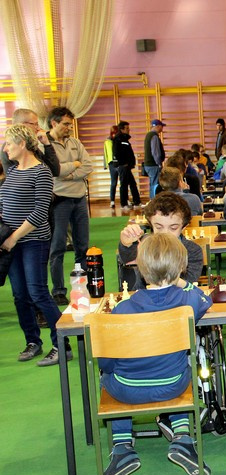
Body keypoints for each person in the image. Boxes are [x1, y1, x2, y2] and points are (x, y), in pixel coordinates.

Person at [97, 233, 212, 475]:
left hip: (126, 390)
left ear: (140, 268)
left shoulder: (121, 310)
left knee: (106, 376)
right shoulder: (188, 303)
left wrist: (109, 372)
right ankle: (182, 437)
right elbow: (206, 299)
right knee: (183, 367)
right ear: (181, 267)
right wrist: (181, 281)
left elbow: (106, 362)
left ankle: (122, 447)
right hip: (173, 385)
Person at [1, 124, 69, 367]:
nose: (5, 148)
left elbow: (40, 212)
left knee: (38, 293)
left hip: (33, 242)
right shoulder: (13, 171)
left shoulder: (41, 172)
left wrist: (13, 238)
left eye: (9, 143)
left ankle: (62, 345)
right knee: (20, 295)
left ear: (22, 144)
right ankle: (33, 341)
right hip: (11, 244)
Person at [47, 106, 93, 307]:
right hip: (59, 200)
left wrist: (70, 174)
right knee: (57, 247)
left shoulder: (75, 142)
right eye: (66, 124)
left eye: (70, 124)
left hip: (79, 198)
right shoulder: (44, 145)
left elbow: (88, 165)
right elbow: (54, 171)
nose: (69, 128)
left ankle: (82, 286)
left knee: (82, 246)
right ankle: (58, 291)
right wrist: (74, 165)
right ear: (54, 123)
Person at [118, 192, 203, 290]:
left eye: (173, 228)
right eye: (159, 227)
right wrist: (126, 244)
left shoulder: (193, 250)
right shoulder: (143, 245)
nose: (165, 233)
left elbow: (189, 283)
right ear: (151, 224)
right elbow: (126, 260)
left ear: (183, 227)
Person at [0, 108, 60, 177]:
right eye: (35, 124)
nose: (38, 128)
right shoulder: (11, 147)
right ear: (21, 125)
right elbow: (30, 175)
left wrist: (47, 144)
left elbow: (54, 171)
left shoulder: (30, 145)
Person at [113, 121, 141, 211]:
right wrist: (123, 163)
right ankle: (123, 204)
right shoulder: (118, 139)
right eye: (127, 128)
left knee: (132, 184)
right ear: (122, 129)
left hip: (127, 166)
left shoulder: (125, 139)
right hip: (123, 166)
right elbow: (116, 153)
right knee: (124, 185)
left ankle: (137, 202)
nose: (129, 130)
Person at [143, 119, 166, 198]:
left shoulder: (148, 135)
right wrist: (159, 164)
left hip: (149, 165)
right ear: (158, 126)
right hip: (153, 165)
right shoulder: (154, 136)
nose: (162, 128)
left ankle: (152, 200)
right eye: (162, 126)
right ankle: (154, 201)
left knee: (152, 184)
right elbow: (155, 152)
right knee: (155, 185)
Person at [104, 125, 119, 208]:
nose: (114, 134)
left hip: (120, 163)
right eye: (113, 132)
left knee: (124, 183)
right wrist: (105, 164)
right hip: (112, 164)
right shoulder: (107, 141)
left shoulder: (119, 140)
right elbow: (105, 153)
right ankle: (112, 201)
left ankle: (126, 200)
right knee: (114, 183)